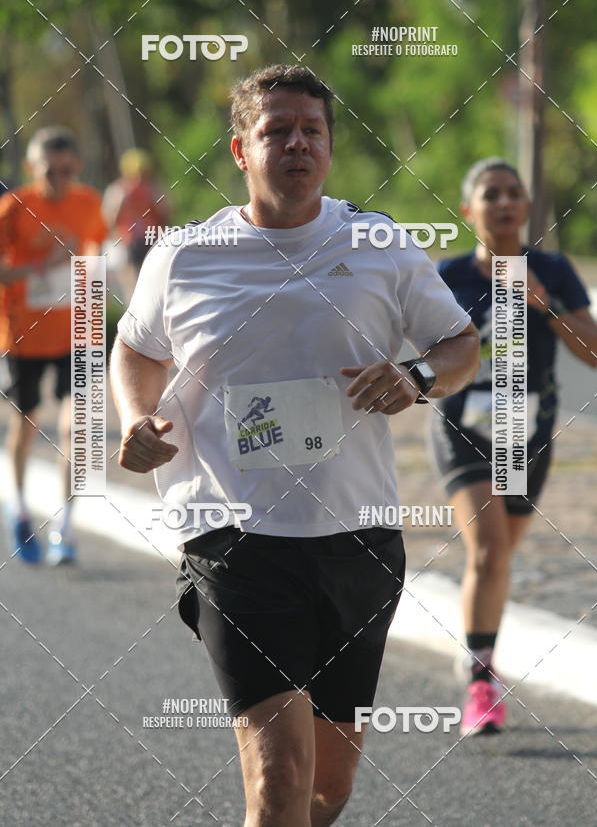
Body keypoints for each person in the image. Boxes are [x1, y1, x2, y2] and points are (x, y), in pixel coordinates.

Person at [110, 64, 479, 826]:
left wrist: (416, 376)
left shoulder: (380, 243)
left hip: (359, 538)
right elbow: (136, 350)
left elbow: (459, 343)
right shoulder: (185, 255)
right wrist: (136, 419)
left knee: (326, 788)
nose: (297, 144)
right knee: (279, 777)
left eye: (312, 130)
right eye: (276, 130)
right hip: (234, 537)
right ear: (242, 150)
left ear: (332, 147)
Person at [430, 157, 597, 737]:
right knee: (487, 550)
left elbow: (595, 352)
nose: (503, 203)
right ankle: (481, 683)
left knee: (499, 556)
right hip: (463, 426)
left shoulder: (551, 269)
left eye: (513, 193)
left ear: (527, 206)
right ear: (468, 210)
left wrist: (545, 306)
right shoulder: (448, 276)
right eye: (490, 194)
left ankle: (474, 644)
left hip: (524, 433)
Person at [0, 127, 107, 564]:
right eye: (50, 171)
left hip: (76, 332)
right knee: (27, 427)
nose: (59, 179)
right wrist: (43, 264)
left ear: (76, 167)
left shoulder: (88, 203)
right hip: (24, 335)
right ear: (32, 168)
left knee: (75, 429)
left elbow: (98, 253)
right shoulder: (12, 208)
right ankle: (20, 509)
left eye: (67, 171)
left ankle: (66, 526)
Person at [102, 147, 171, 300]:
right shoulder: (118, 191)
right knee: (132, 284)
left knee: (158, 281)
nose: (139, 179)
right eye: (135, 174)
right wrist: (120, 204)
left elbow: (166, 215)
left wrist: (156, 202)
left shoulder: (154, 189)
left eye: (143, 174)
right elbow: (109, 221)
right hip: (128, 242)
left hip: (152, 239)